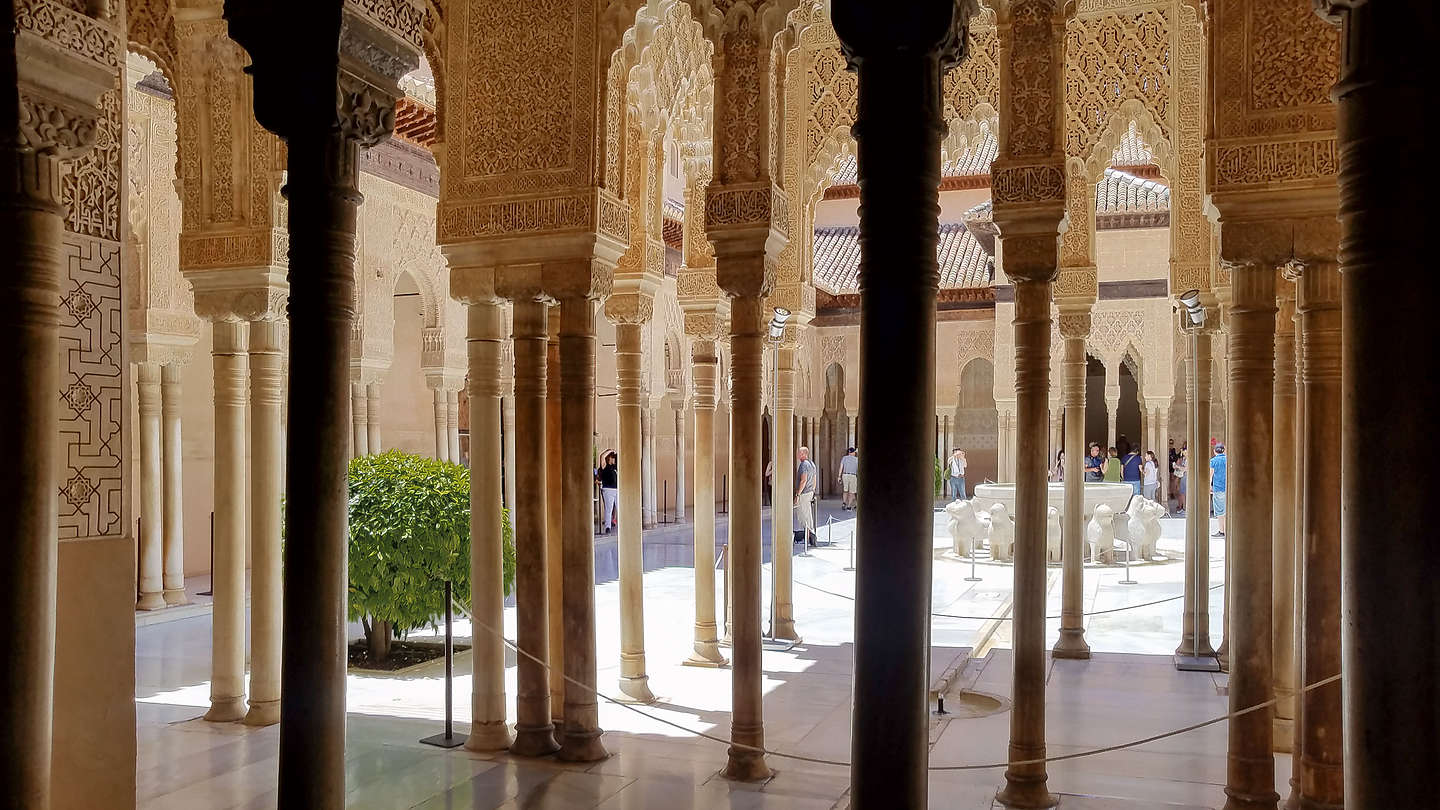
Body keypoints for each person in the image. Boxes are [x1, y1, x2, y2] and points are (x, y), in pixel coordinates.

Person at [795, 446, 817, 546]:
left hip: (804, 493)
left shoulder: (804, 465)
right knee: (806, 514)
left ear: (804, 454)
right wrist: (813, 491)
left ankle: (809, 536)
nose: (798, 455)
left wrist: (798, 494)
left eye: (799, 453)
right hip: (810, 492)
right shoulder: (812, 464)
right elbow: (814, 480)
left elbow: (803, 480)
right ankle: (808, 536)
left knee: (803, 515)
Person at [597, 450, 618, 534]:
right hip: (608, 489)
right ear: (609, 457)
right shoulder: (605, 466)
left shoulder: (614, 467)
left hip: (616, 489)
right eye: (612, 457)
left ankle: (619, 524)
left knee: (619, 507)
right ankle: (608, 527)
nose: (613, 459)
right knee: (608, 509)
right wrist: (610, 450)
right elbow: (602, 456)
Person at [1210, 443, 1227, 537]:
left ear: (1214, 451)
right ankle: (1228, 530)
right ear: (1224, 450)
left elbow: (1211, 474)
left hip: (1218, 488)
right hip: (1228, 488)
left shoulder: (1213, 461)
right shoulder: (1228, 460)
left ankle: (1222, 531)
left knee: (1220, 511)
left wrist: (1209, 486)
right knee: (1227, 511)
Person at [1175, 444, 1188, 514]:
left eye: (1185, 452)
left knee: (1185, 493)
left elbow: (1186, 468)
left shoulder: (1188, 459)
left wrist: (1177, 466)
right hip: (1183, 477)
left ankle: (1186, 509)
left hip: (1186, 477)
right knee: (1182, 493)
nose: (1184, 453)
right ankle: (1184, 508)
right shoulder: (1184, 459)